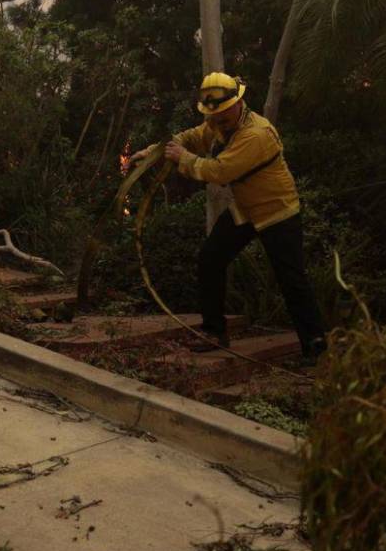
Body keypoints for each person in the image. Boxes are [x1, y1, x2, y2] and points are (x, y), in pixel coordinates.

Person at [131, 72, 328, 361]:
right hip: (246, 210)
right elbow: (193, 137)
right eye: (213, 115)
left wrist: (182, 159)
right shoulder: (219, 123)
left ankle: (315, 345)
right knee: (210, 259)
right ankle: (214, 331)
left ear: (239, 103)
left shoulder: (256, 134)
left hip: (277, 211)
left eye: (223, 113)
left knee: (291, 279)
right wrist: (154, 151)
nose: (217, 120)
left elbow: (219, 171)